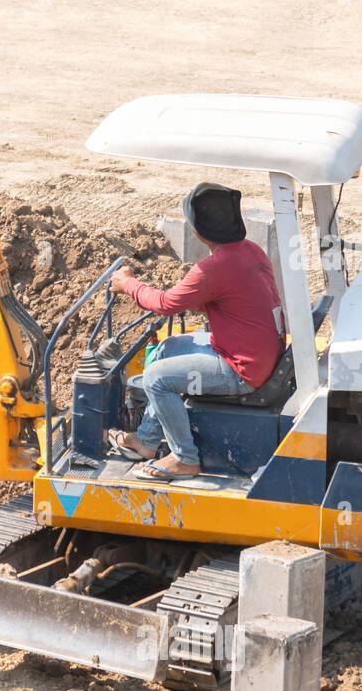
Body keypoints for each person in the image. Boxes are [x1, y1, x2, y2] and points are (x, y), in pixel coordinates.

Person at [108, 183, 283, 481]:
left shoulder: (213, 268)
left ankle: (184, 458)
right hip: (259, 354)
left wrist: (128, 285)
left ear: (198, 231)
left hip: (241, 369)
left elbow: (164, 304)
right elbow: (234, 300)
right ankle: (147, 442)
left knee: (156, 378)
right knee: (166, 348)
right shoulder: (250, 251)